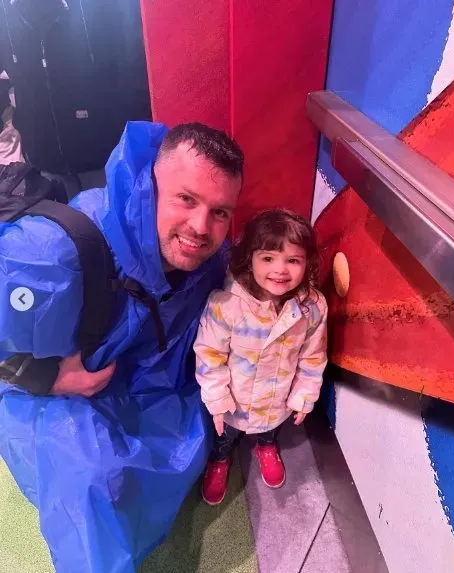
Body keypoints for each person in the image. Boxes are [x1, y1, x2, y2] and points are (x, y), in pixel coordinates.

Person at [0, 121, 243, 572]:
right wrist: (46, 378)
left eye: (220, 212)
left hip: (142, 381)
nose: (200, 227)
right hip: (57, 394)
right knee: (90, 477)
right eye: (186, 199)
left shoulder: (206, 260)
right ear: (151, 186)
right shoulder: (51, 254)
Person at [194, 209, 328, 506]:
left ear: (307, 262)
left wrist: (305, 395)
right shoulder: (227, 304)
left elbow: (313, 355)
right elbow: (209, 355)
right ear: (250, 258)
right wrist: (216, 399)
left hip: (277, 398)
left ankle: (265, 446)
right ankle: (220, 458)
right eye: (268, 258)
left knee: (270, 430)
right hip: (234, 401)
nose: (280, 270)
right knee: (224, 437)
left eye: (293, 260)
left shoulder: (312, 307)